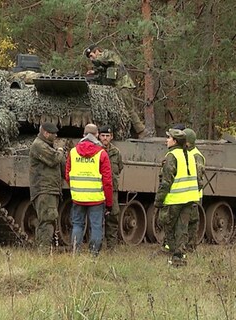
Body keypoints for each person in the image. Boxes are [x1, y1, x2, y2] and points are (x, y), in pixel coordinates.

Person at [65, 123, 113, 256]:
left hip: (78, 197)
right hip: (96, 199)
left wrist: (76, 188)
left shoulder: (73, 152)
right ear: (97, 135)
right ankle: (93, 255)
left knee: (77, 225)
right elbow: (107, 181)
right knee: (96, 227)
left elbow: (67, 174)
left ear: (83, 135)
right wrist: (109, 203)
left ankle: (75, 252)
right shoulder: (102, 154)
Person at [154, 128, 199, 266]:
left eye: (169, 138)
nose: (166, 140)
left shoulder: (172, 156)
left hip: (175, 198)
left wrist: (159, 200)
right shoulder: (189, 155)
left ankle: (173, 253)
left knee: (168, 227)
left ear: (175, 141)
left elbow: (166, 181)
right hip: (189, 198)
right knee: (182, 229)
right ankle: (179, 257)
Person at [84, 44, 148, 139]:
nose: (91, 59)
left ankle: (141, 131)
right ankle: (133, 132)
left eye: (91, 56)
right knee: (121, 111)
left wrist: (95, 62)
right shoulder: (106, 62)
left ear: (96, 51)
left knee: (128, 109)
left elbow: (102, 60)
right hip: (116, 88)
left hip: (123, 86)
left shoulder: (109, 54)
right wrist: (95, 72)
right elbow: (105, 71)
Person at [29, 122, 66, 252]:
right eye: (53, 133)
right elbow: (54, 159)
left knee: (46, 220)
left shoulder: (45, 145)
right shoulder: (39, 145)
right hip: (45, 189)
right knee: (48, 220)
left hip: (49, 188)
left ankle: (42, 249)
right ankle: (43, 252)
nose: (56, 136)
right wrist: (61, 149)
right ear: (45, 133)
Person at [98, 125, 123, 249]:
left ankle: (111, 247)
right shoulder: (96, 150)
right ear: (99, 136)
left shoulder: (116, 152)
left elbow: (120, 168)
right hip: (98, 189)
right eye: (103, 136)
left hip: (112, 190)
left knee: (112, 218)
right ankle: (97, 246)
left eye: (107, 136)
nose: (105, 138)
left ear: (111, 137)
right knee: (97, 218)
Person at [184, 128, 206, 252]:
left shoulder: (196, 156)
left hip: (193, 196)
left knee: (192, 222)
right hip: (186, 194)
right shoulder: (186, 153)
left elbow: (199, 179)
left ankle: (190, 247)